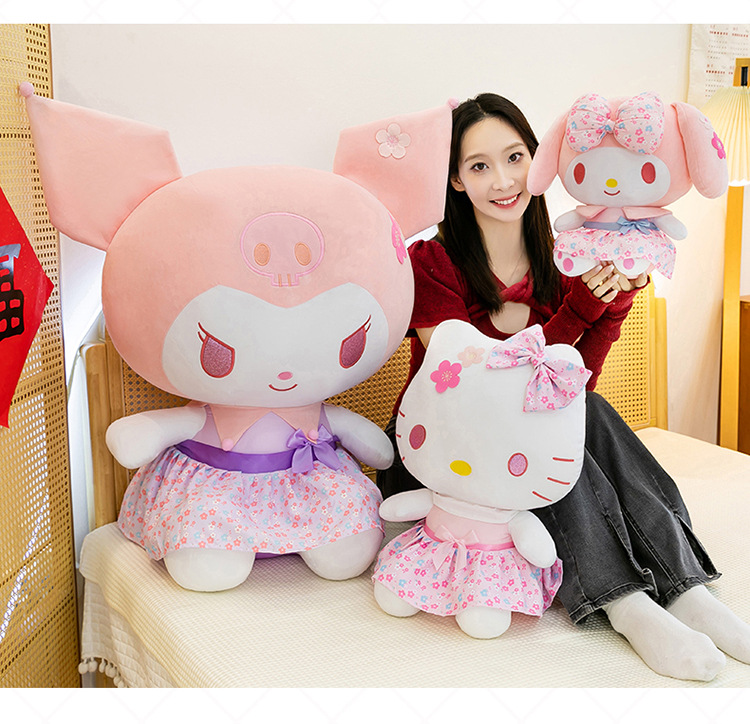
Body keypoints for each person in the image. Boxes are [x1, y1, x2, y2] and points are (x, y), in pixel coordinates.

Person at [375, 93, 750, 682]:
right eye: (479, 166)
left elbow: (577, 383)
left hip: (517, 452)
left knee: (587, 407)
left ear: (539, 161)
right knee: (546, 420)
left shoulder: (565, 255)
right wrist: (577, 311)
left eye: (515, 157)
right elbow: (481, 392)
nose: (504, 180)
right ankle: (625, 605)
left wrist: (615, 302)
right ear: (456, 179)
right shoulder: (430, 263)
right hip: (441, 458)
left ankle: (685, 590)